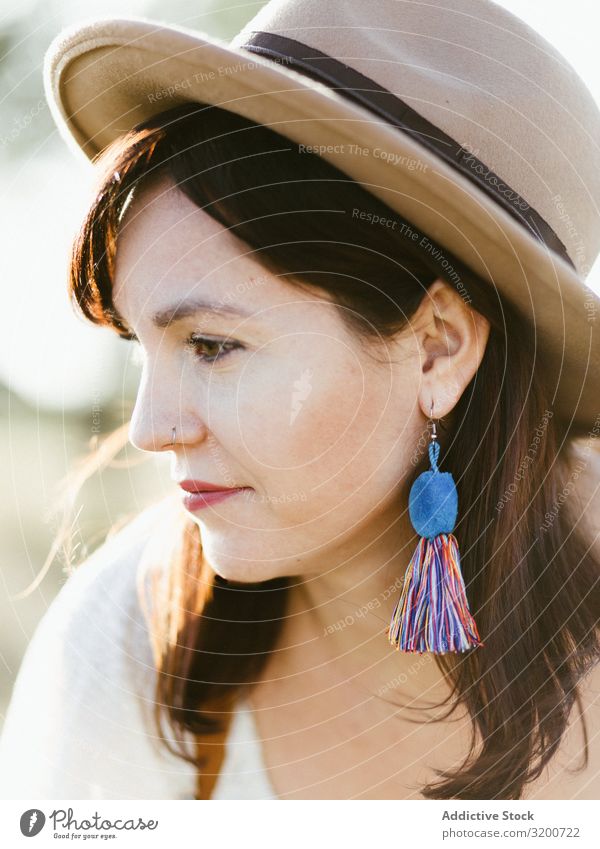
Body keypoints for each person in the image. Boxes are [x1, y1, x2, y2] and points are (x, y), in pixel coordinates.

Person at [1, 0, 600, 800]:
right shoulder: (123, 643)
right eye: (140, 346)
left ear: (437, 348)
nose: (148, 429)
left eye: (212, 345)